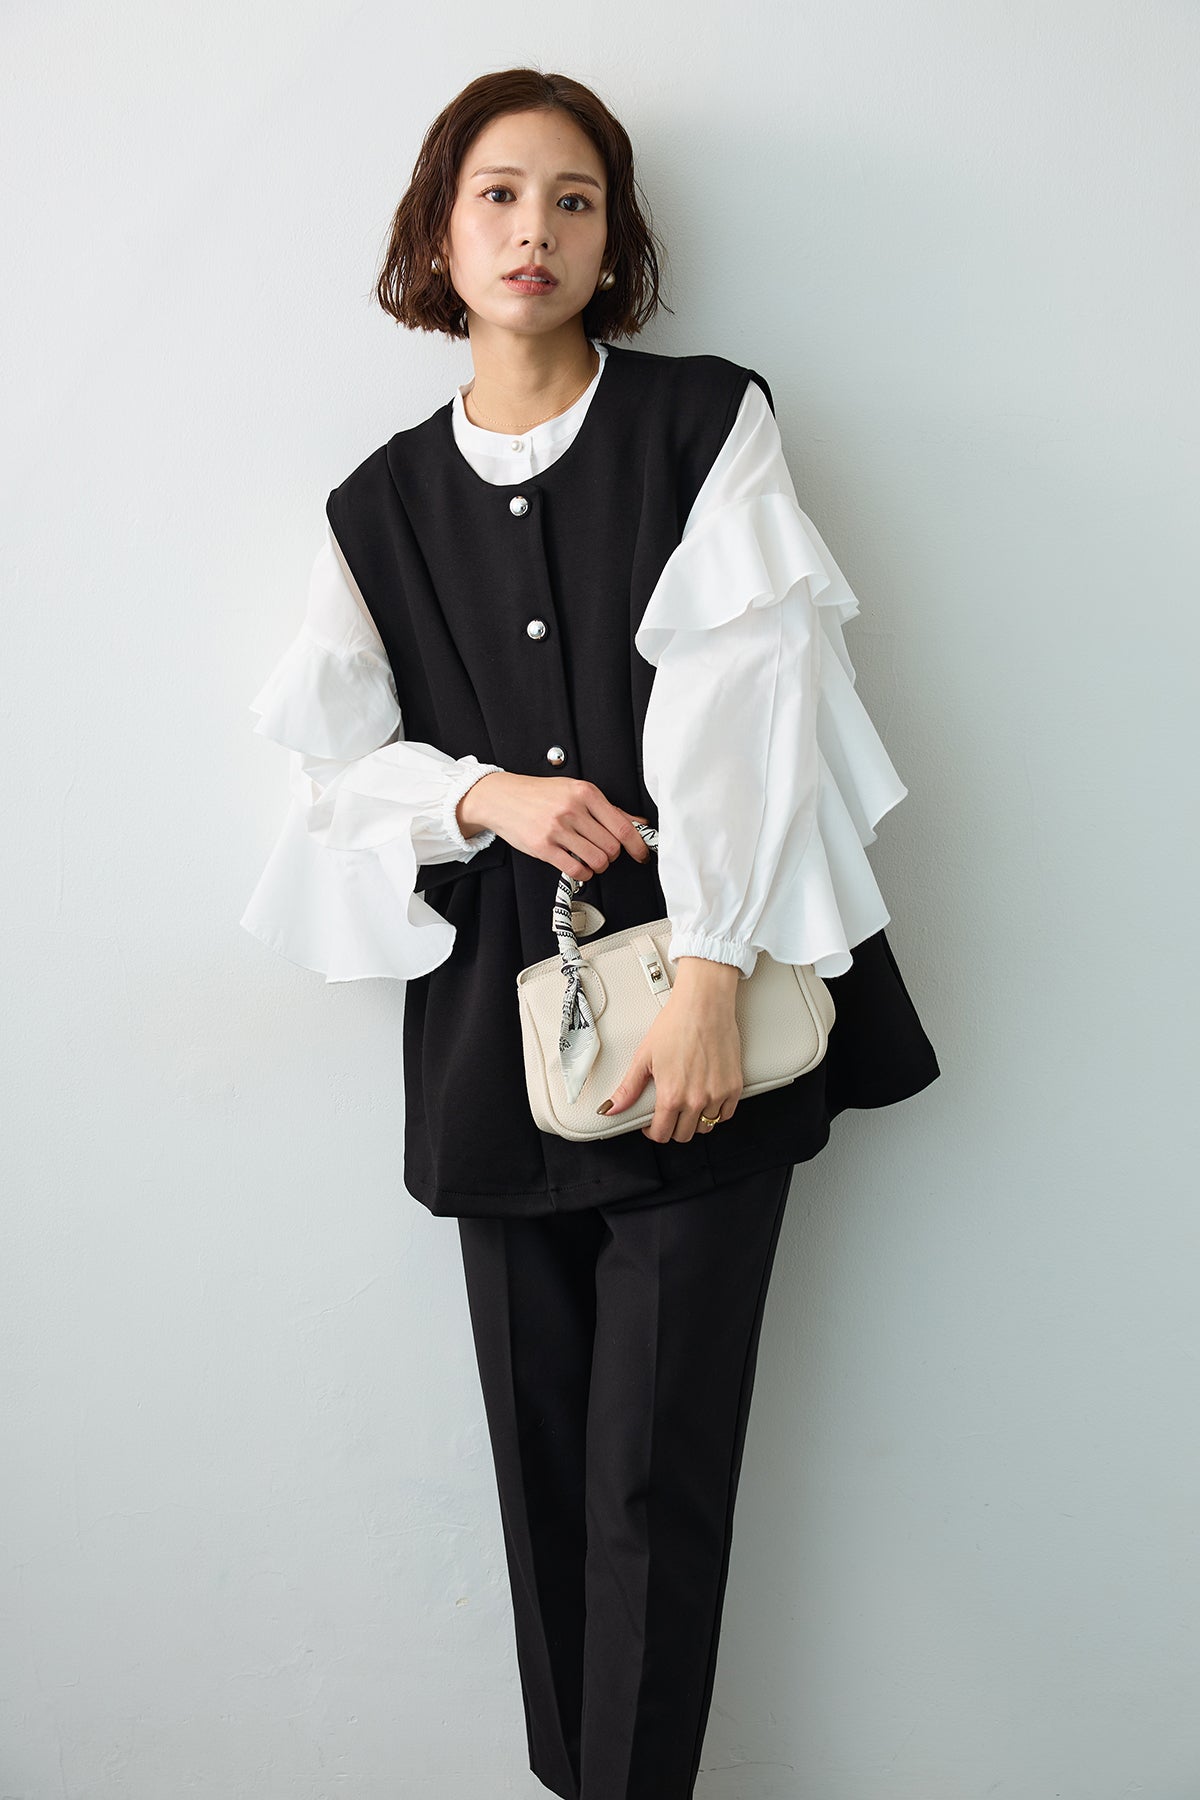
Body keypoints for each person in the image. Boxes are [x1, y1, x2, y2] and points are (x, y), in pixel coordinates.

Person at [239, 67, 940, 1800]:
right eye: (497, 194)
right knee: (543, 1470)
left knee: (653, 1473)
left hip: (712, 1015)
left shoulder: (706, 423)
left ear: (615, 238)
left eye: (573, 198)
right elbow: (332, 773)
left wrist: (708, 976)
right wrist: (485, 794)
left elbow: (759, 701)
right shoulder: (375, 505)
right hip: (501, 1044)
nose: (533, 230)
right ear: (438, 229)